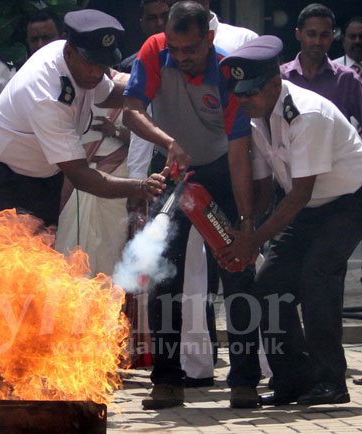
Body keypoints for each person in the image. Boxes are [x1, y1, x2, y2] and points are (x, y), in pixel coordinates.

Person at [123, 1, 260, 409]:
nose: (181, 57)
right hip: (172, 172)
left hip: (221, 171)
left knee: (236, 271)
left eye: (191, 50)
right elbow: (131, 112)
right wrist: (168, 144)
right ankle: (166, 381)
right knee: (165, 277)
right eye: (175, 50)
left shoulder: (228, 72)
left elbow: (239, 154)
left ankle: (245, 380)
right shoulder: (152, 50)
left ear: (210, 39)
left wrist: (245, 223)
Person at [219, 35, 362, 406]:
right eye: (239, 93)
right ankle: (293, 380)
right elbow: (268, 187)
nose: (244, 100)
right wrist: (248, 227)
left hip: (347, 202)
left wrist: (254, 240)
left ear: (273, 83)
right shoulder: (258, 117)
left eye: (250, 92)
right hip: (308, 207)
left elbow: (300, 192)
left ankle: (332, 382)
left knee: (318, 279)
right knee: (269, 287)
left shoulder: (306, 113)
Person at [0, 9, 167, 230]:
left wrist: (158, 88)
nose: (96, 73)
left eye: (103, 66)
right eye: (91, 64)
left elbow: (107, 94)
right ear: (69, 52)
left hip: (42, 178)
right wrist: (140, 187)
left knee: (44, 258)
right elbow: (80, 175)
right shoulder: (47, 96)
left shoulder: (77, 62)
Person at [55, 69, 132, 276]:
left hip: (117, 174)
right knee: (69, 241)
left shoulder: (127, 84)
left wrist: (114, 131)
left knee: (112, 242)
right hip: (77, 175)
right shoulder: (67, 84)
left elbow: (145, 142)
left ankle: (109, 302)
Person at [281, 4, 362, 134]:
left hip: (335, 154)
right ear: (298, 34)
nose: (318, 41)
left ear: (332, 36)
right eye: (311, 34)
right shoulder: (281, 78)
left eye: (324, 35)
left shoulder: (347, 79)